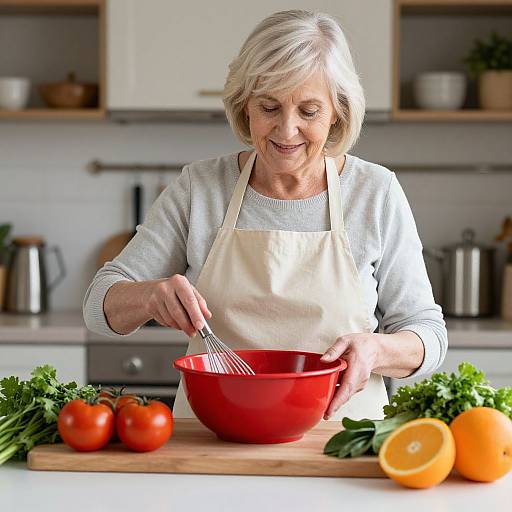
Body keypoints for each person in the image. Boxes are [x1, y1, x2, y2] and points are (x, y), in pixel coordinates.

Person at [84, 10, 447, 421]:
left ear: (337, 113)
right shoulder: (200, 187)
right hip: (212, 439)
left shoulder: (375, 192)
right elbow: (99, 305)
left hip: (340, 441)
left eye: (308, 111)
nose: (286, 130)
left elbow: (428, 334)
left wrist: (378, 348)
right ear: (245, 107)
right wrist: (150, 296)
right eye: (269, 107)